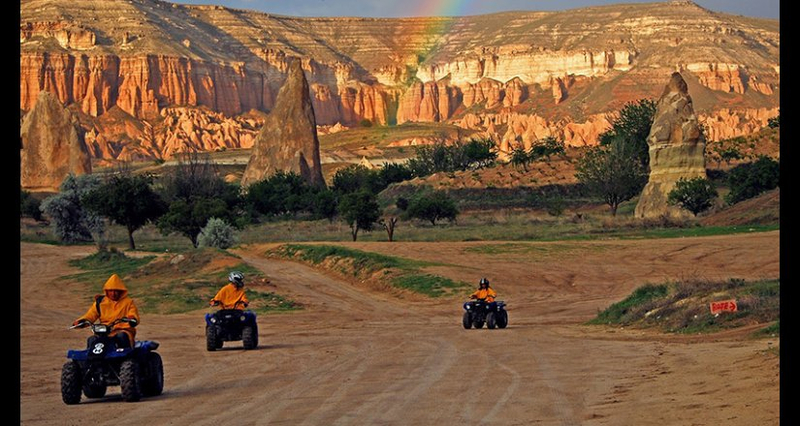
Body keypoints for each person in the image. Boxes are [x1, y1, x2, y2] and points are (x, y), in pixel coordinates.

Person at [73, 273, 140, 349]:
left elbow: (133, 313)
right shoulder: (101, 302)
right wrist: (81, 321)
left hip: (123, 329)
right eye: (111, 291)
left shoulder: (128, 302)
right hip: (105, 330)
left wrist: (132, 318)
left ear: (121, 291)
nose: (113, 293)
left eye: (116, 291)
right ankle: (90, 359)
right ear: (106, 291)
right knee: (92, 340)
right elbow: (91, 315)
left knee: (121, 336)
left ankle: (128, 357)